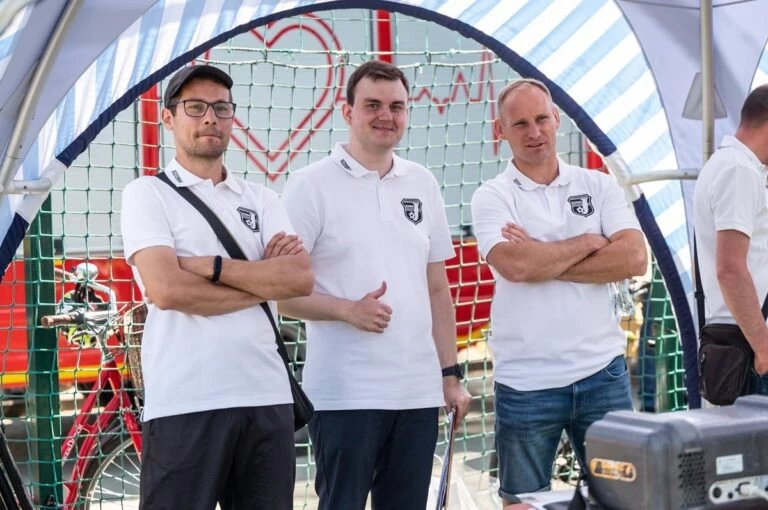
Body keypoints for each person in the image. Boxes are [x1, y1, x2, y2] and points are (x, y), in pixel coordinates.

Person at [278, 60, 472, 510]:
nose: (386, 115)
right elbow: (280, 294)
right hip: (345, 395)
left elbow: (437, 288)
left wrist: (449, 376)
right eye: (373, 105)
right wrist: (347, 310)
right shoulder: (309, 186)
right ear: (347, 112)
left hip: (417, 394)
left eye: (396, 106)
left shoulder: (422, 182)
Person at [120, 64, 313, 510]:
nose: (210, 117)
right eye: (195, 107)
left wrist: (212, 267)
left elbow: (299, 279)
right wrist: (262, 278)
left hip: (266, 396)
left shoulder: (262, 198)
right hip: (185, 400)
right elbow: (168, 290)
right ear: (168, 118)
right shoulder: (147, 193)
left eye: (221, 108)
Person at [470, 78, 647, 504]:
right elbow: (516, 266)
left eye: (541, 119)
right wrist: (588, 241)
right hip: (526, 381)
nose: (534, 132)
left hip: (602, 372)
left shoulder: (598, 184)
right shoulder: (491, 196)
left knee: (623, 499)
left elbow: (634, 258)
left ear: (556, 120)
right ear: (500, 130)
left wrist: (541, 257)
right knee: (523, 503)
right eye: (520, 124)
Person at [693, 84, 768, 395]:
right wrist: (763, 349)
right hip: (750, 350)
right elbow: (730, 269)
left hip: (741, 343)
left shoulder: (735, 166)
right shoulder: (739, 170)